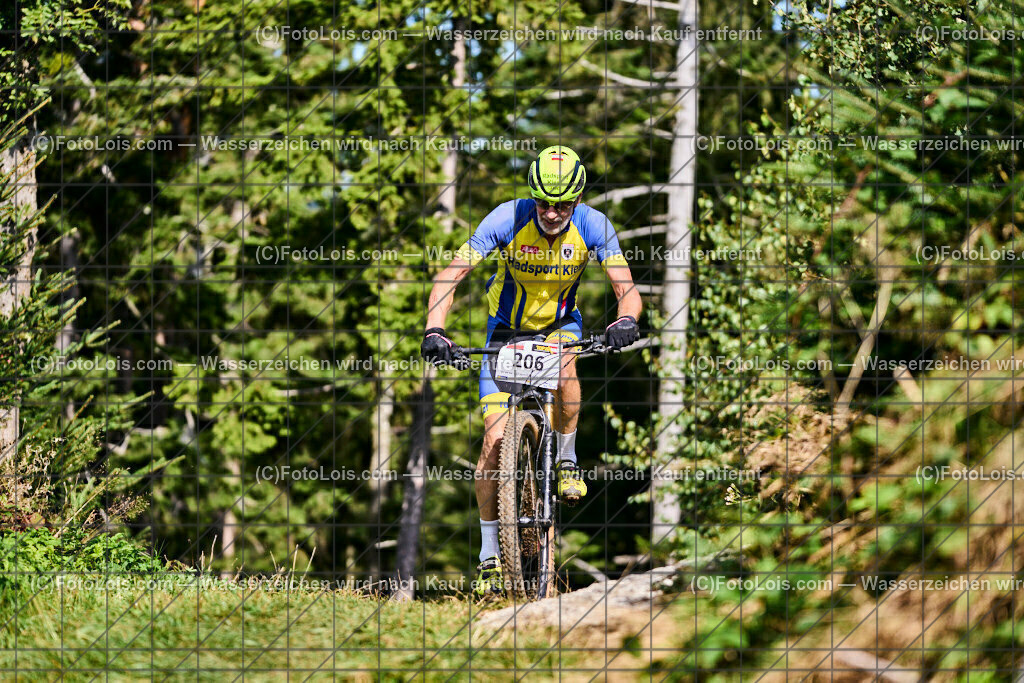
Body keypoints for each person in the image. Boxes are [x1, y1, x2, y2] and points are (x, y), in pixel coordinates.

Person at [420, 145, 642, 597]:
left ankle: (565, 458)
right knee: (492, 442)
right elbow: (451, 274)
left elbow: (627, 288)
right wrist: (435, 329)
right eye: (544, 202)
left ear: (577, 200)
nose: (553, 212)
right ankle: (487, 557)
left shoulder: (594, 226)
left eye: (563, 204)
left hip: (560, 326)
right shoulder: (506, 218)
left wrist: (626, 321)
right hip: (505, 333)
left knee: (565, 370)